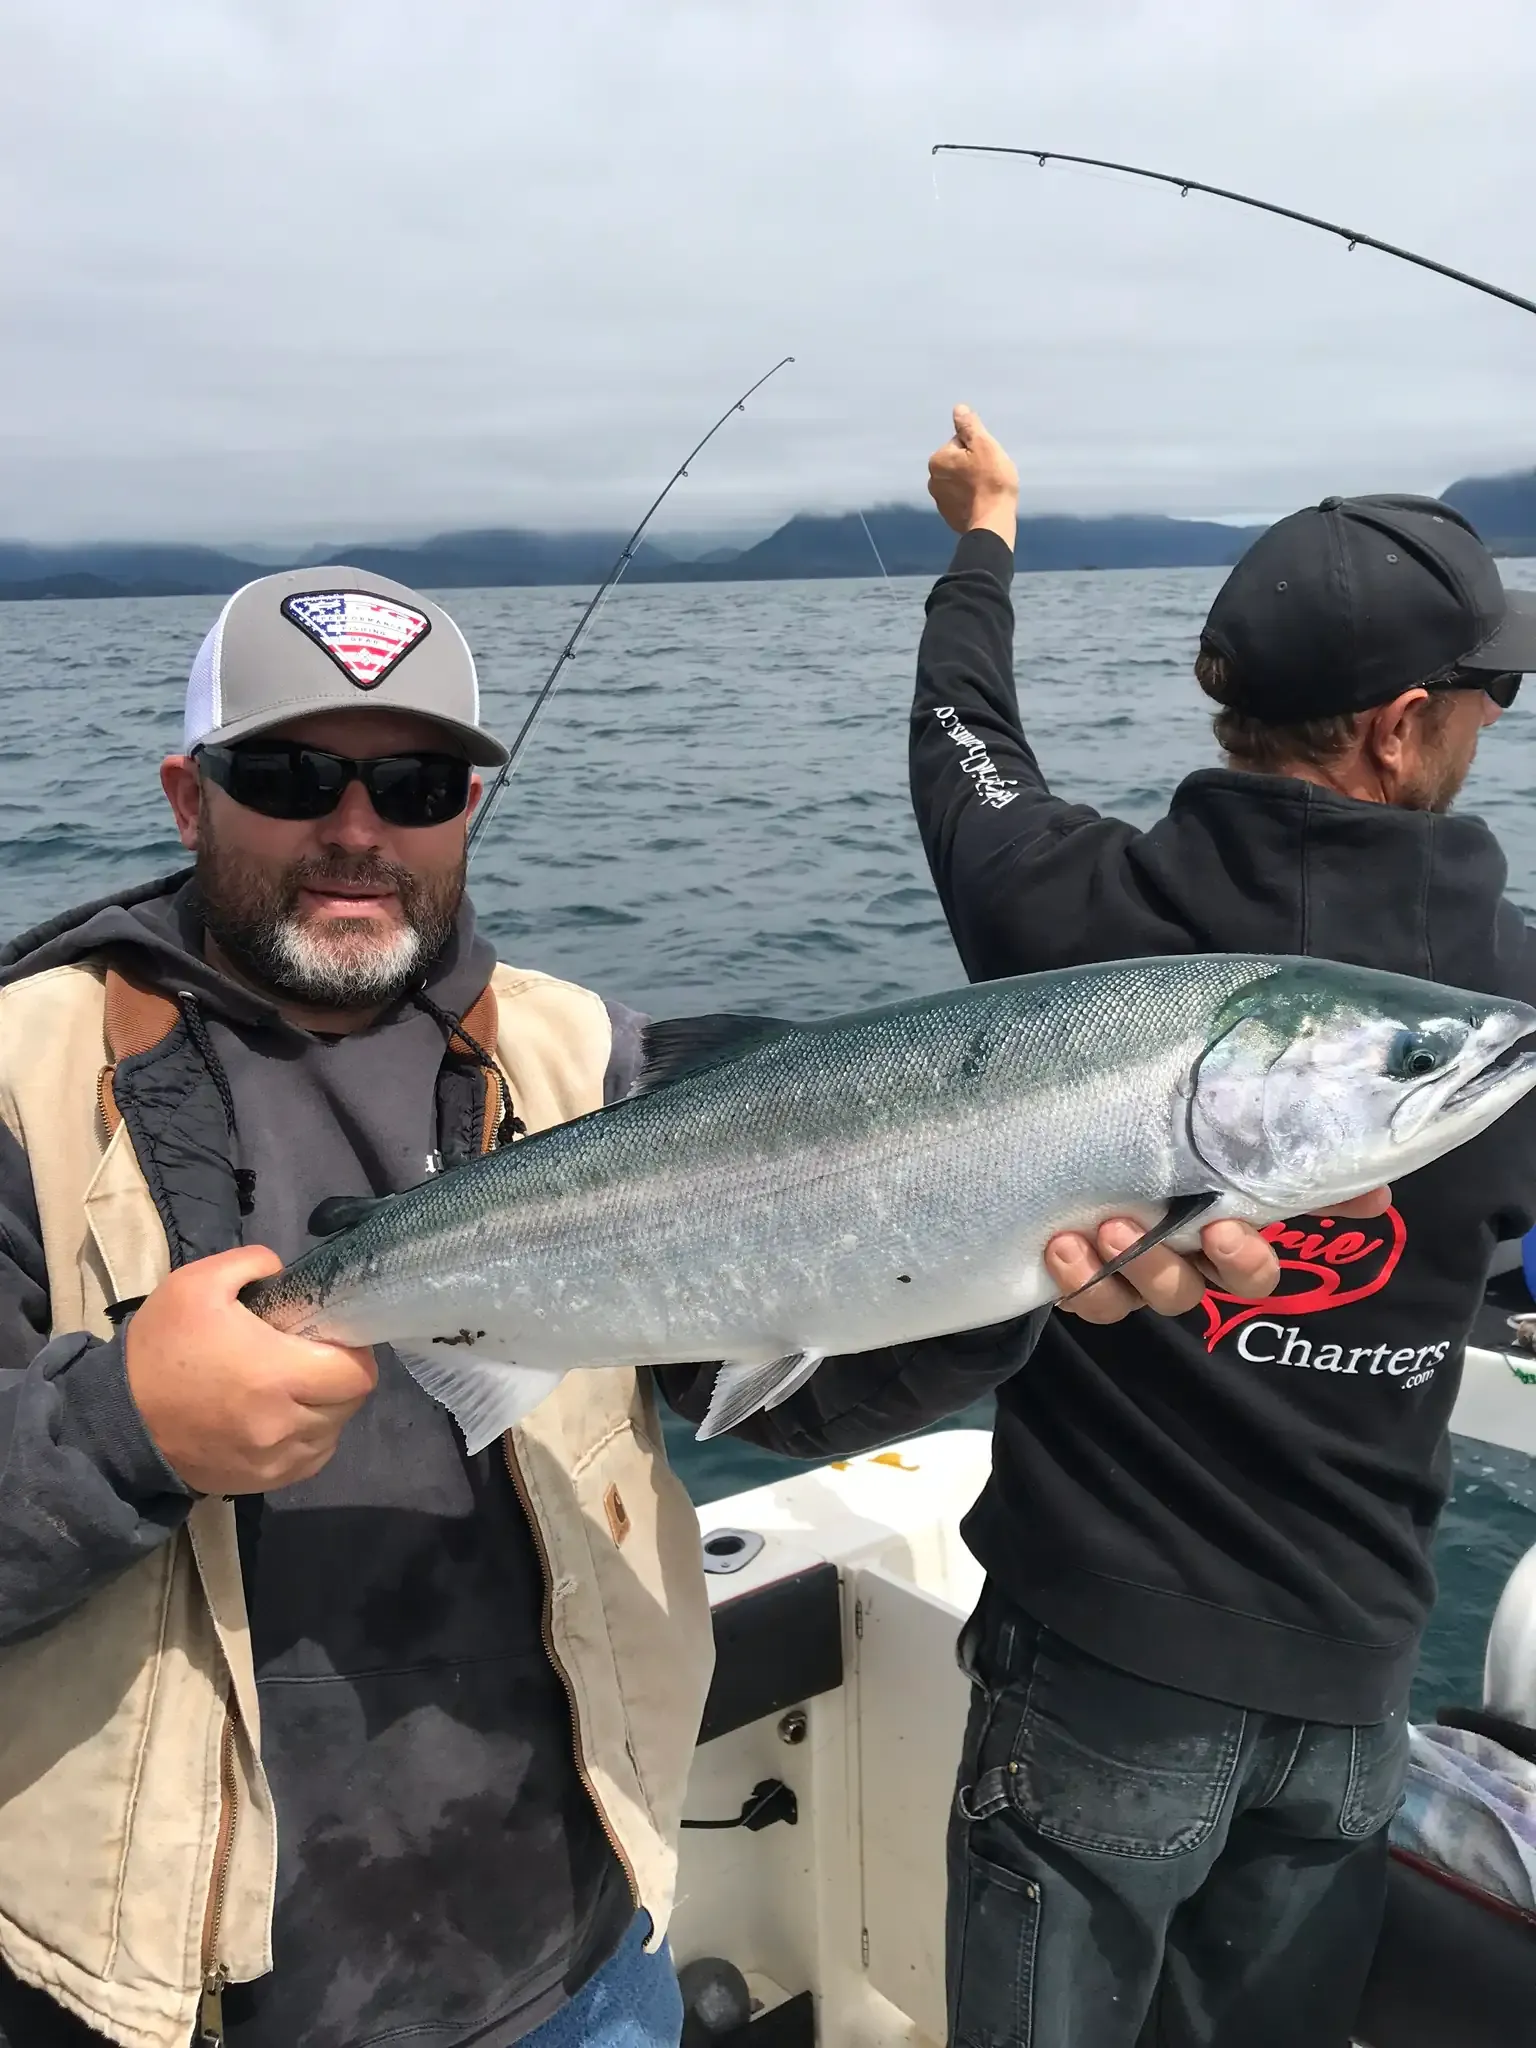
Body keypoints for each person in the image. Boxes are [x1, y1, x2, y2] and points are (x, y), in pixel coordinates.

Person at [0, 566, 1304, 2048]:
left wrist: (1002, 1264)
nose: (358, 829)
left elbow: (771, 1382)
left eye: (417, 781)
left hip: (582, 1953)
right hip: (149, 2002)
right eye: (293, 774)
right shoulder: (21, 1075)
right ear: (187, 796)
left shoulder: (586, 1056)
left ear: (469, 807)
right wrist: (129, 1430)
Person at [914, 405, 1536, 2048]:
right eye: (1496, 695)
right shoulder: (1512, 1005)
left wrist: (983, 540)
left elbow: (964, 745)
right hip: (1356, 1683)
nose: (1492, 725)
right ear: (1402, 729)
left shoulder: (1068, 914)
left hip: (1097, 1664)